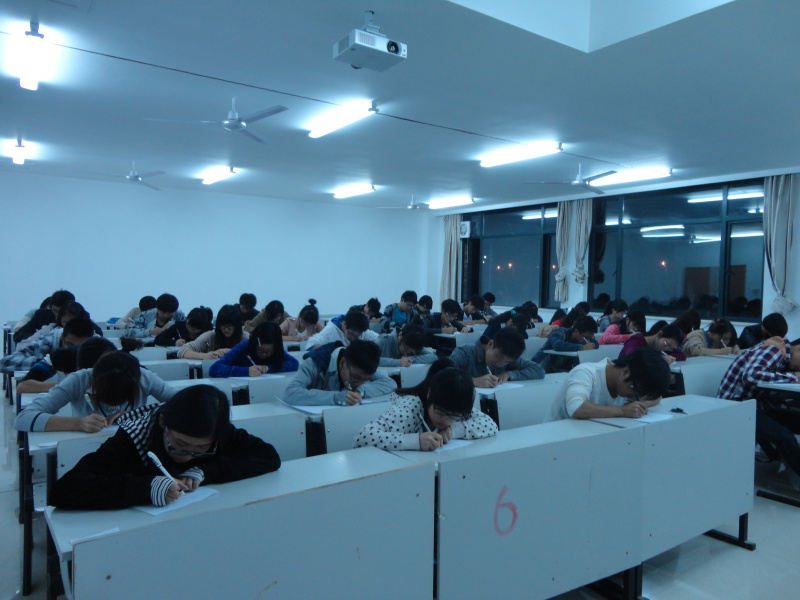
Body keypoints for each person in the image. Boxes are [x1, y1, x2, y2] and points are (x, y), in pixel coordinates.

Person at [49, 384, 281, 510]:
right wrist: (146, 488)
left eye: (199, 450)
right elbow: (64, 490)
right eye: (179, 444)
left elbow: (268, 456)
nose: (186, 457)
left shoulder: (217, 431)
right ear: (163, 423)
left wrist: (205, 470)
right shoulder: (134, 436)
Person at [15, 350, 178, 433]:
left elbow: (185, 402)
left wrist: (141, 415)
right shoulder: (79, 380)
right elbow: (23, 418)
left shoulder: (143, 377)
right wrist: (79, 423)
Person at [354, 361, 497, 451]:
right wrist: (416, 441)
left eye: (453, 416)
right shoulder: (410, 407)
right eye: (440, 412)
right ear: (429, 394)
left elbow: (491, 425)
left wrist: (452, 430)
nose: (445, 419)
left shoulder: (457, 408)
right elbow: (363, 437)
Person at [717, 337, 800, 478]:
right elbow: (751, 375)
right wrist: (793, 376)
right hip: (735, 407)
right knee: (786, 438)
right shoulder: (774, 349)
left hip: (754, 405)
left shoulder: (782, 354)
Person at [548, 347, 671, 421]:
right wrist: (622, 411)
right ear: (625, 371)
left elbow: (657, 398)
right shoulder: (586, 372)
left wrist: (639, 406)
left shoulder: (631, 383)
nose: (633, 396)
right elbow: (576, 407)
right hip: (556, 438)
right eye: (635, 391)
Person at [283, 339, 396, 406]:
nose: (358, 384)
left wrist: (360, 391)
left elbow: (390, 383)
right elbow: (290, 393)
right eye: (355, 378)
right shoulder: (314, 363)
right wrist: (336, 398)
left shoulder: (363, 364)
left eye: (365, 379)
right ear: (342, 363)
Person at [450, 328, 544, 388]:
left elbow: (539, 370)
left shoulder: (508, 358)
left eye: (506, 362)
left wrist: (509, 374)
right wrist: (474, 381)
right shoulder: (465, 353)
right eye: (498, 357)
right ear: (490, 344)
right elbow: (443, 373)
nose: (500, 364)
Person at [0, 317, 95, 374]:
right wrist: (45, 364)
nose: (73, 351)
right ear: (62, 337)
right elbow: (5, 362)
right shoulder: (48, 341)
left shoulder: (97, 345)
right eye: (69, 345)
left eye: (79, 347)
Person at [209, 322, 298, 378]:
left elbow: (294, 363)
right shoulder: (244, 346)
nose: (264, 354)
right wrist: (245, 371)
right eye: (260, 350)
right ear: (254, 343)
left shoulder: (276, 348)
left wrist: (269, 368)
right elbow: (214, 369)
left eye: (268, 352)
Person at [178, 304, 248, 360]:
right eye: (223, 326)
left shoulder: (245, 337)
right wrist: (205, 356)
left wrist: (229, 351)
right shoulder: (210, 336)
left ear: (237, 326)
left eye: (230, 326)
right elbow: (182, 350)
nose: (226, 329)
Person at [533, 315, 599, 373]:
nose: (588, 340)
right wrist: (582, 347)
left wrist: (591, 345)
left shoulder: (583, 337)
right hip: (540, 366)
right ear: (576, 331)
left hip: (559, 369)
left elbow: (596, 344)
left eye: (590, 338)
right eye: (586, 337)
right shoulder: (560, 332)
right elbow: (558, 345)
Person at [306, 309, 380, 349]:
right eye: (350, 334)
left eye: (356, 336)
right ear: (344, 324)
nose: (352, 338)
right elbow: (310, 345)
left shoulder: (361, 330)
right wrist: (335, 347)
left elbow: (380, 339)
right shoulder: (330, 330)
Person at [618, 323, 686, 364]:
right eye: (667, 344)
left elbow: (682, 355)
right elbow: (631, 361)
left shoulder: (658, 347)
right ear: (660, 334)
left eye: (671, 348)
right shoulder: (636, 341)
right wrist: (659, 359)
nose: (666, 348)